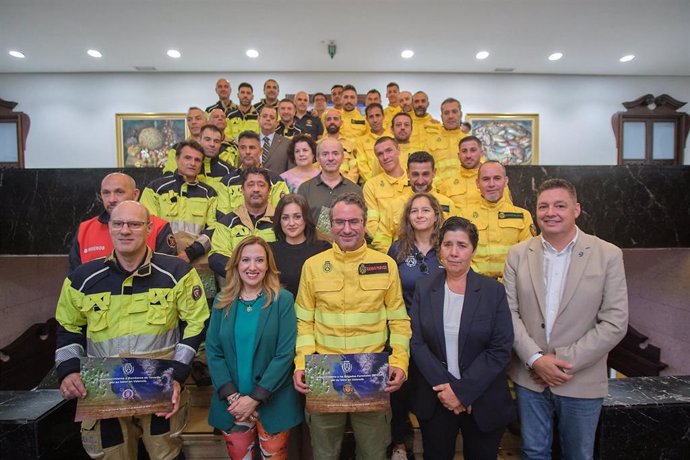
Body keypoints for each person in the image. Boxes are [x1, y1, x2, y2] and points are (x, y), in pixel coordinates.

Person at [56, 200, 209, 459]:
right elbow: (68, 328)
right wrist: (68, 371)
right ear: (111, 228)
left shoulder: (177, 272)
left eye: (135, 224)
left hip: (159, 387)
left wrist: (178, 373)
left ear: (149, 228)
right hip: (104, 390)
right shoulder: (82, 279)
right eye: (118, 223)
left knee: (166, 455)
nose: (125, 230)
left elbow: (196, 323)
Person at [503, 179, 629, 460]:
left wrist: (561, 360)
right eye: (543, 206)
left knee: (579, 455)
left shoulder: (607, 255)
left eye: (560, 205)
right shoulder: (518, 254)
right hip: (530, 377)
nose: (551, 212)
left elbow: (615, 321)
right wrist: (536, 359)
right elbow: (509, 313)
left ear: (577, 210)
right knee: (533, 452)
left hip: (580, 377)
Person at [293, 192, 411, 460]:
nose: (347, 229)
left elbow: (399, 322)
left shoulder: (385, 265)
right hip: (323, 372)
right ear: (330, 225)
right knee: (324, 453)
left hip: (371, 372)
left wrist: (400, 362)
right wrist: (301, 364)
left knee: (373, 453)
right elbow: (304, 321)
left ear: (365, 223)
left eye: (354, 222)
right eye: (340, 222)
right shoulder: (312, 267)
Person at [410, 216, 516, 460]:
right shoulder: (425, 288)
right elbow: (417, 343)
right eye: (448, 245)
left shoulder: (493, 291)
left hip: (482, 399)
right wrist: (448, 390)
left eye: (462, 245)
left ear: (473, 250)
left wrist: (462, 392)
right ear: (439, 249)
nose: (454, 252)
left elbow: (500, 348)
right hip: (437, 398)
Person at [206, 236, 303, 460]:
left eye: (259, 260)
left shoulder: (283, 300)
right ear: (236, 265)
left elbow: (284, 354)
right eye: (245, 260)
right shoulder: (223, 301)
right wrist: (234, 398)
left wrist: (254, 399)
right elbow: (213, 352)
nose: (252, 267)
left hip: (273, 403)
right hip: (233, 405)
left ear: (268, 265)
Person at [386, 192, 445, 460]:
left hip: (440, 333)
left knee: (431, 389)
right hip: (404, 331)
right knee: (400, 391)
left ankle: (435, 444)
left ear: (436, 214)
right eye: (414, 211)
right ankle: (399, 443)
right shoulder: (397, 249)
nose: (420, 215)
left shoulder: (447, 246)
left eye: (425, 210)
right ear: (408, 217)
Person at [69, 172, 176, 271]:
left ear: (135, 195)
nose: (112, 199)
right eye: (106, 193)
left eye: (119, 192)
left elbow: (167, 273)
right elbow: (76, 279)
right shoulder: (85, 230)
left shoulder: (159, 227)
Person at [141, 140, 218, 264]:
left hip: (198, 259)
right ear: (177, 159)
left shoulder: (209, 193)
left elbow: (214, 228)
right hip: (160, 257)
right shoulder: (155, 188)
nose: (192, 163)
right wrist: (169, 253)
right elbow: (148, 223)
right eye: (187, 158)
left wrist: (192, 252)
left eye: (197, 160)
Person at [460, 160, 533, 279]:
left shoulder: (522, 216)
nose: (491, 184)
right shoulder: (463, 215)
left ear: (506, 181)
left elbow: (527, 254)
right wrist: (477, 279)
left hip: (511, 285)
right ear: (477, 183)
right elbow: (459, 251)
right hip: (474, 283)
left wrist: (507, 280)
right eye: (486, 179)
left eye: (497, 178)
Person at [209, 167, 277, 277]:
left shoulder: (280, 221)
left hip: (273, 286)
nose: (256, 189)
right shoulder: (227, 222)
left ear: (269, 190)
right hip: (236, 289)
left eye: (261, 185)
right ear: (242, 190)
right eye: (250, 185)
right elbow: (217, 256)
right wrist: (246, 274)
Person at [297, 138, 362, 238]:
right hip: (314, 249)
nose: (330, 158)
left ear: (343, 157)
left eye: (335, 153)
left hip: (348, 250)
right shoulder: (305, 189)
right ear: (317, 158)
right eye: (325, 154)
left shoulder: (355, 190)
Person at [269, 194, 330, 297]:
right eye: (285, 218)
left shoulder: (323, 249)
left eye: (297, 217)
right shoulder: (269, 251)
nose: (291, 223)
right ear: (279, 221)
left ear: (306, 218)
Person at [216, 131, 289, 216]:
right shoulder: (226, 182)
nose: (247, 152)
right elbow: (223, 218)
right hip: (234, 229)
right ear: (238, 151)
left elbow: (281, 214)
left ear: (261, 151)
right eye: (243, 148)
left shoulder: (276, 181)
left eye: (252, 148)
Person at [438, 136, 512, 213]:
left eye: (473, 150)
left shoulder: (495, 183)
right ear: (458, 155)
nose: (468, 156)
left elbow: (507, 211)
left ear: (481, 153)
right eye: (464, 151)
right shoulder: (447, 184)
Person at [363, 136, 411, 252]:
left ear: (398, 150)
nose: (385, 157)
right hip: (387, 249)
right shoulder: (371, 186)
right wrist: (389, 249)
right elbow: (371, 223)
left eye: (389, 151)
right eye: (380, 154)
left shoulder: (414, 179)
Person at [426, 98, 467, 181]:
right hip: (439, 190)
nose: (450, 116)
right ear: (441, 117)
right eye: (446, 113)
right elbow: (425, 170)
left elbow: (478, 169)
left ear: (461, 114)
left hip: (465, 191)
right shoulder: (431, 142)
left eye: (454, 112)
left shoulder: (469, 141)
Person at [318, 108, 358, 183]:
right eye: (329, 119)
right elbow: (314, 169)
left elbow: (354, 168)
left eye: (335, 119)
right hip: (323, 185)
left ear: (341, 122)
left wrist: (347, 184)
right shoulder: (318, 145)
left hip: (346, 186)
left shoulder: (350, 144)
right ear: (325, 122)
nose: (332, 122)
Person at [355, 102, 391, 184]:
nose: (375, 120)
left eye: (378, 115)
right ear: (367, 119)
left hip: (392, 182)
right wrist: (374, 183)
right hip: (369, 184)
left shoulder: (393, 138)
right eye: (371, 117)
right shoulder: (360, 141)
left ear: (383, 116)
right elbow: (362, 165)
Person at [163, 107, 207, 173]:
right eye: (189, 120)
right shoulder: (177, 149)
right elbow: (169, 175)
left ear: (206, 121)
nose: (193, 122)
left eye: (198, 119)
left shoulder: (213, 147)